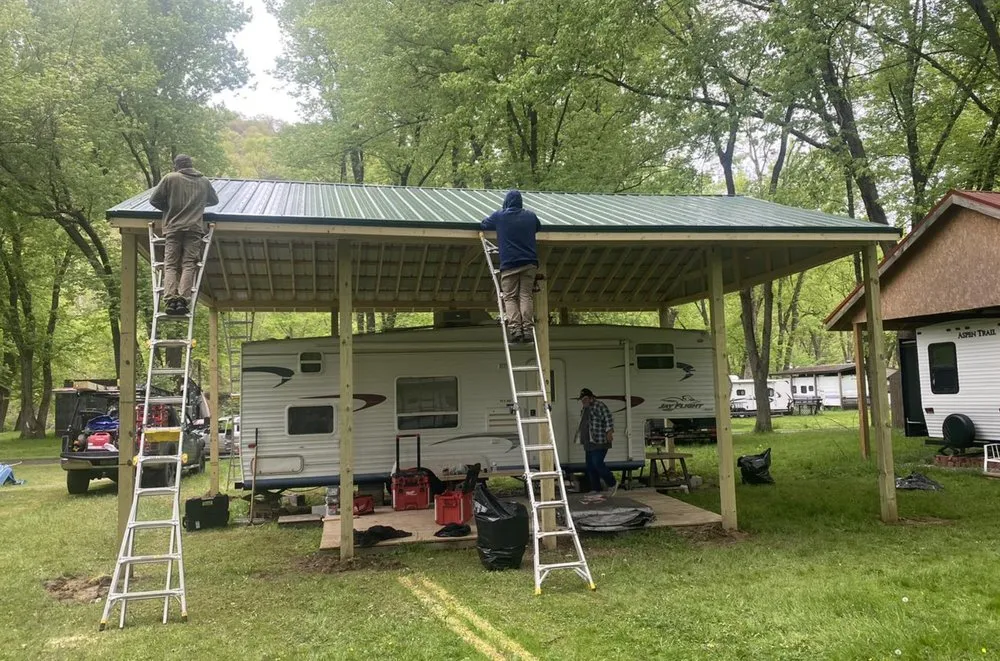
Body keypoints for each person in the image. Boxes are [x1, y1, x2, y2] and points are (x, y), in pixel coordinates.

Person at [149, 154, 219, 315]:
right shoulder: (204, 181)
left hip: (173, 227)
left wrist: (168, 208)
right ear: (190, 165)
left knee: (171, 264)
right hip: (194, 227)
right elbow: (214, 200)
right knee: (189, 263)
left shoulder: (170, 178)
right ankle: (183, 299)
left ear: (177, 166)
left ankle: (170, 299)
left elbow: (154, 200)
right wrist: (199, 204)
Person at [480, 190, 541, 343]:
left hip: (509, 264)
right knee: (526, 296)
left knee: (510, 297)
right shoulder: (530, 216)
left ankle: (515, 330)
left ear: (506, 202)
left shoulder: (500, 216)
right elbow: (538, 227)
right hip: (529, 263)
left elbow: (484, 224)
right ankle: (527, 330)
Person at [576, 388, 617, 496]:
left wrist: (609, 432)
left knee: (597, 463)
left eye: (585, 399)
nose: (583, 401)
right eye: (582, 399)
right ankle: (595, 488)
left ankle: (612, 483)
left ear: (591, 398)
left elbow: (608, 418)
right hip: (589, 442)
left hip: (600, 440)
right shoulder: (585, 409)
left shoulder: (599, 405)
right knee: (590, 466)